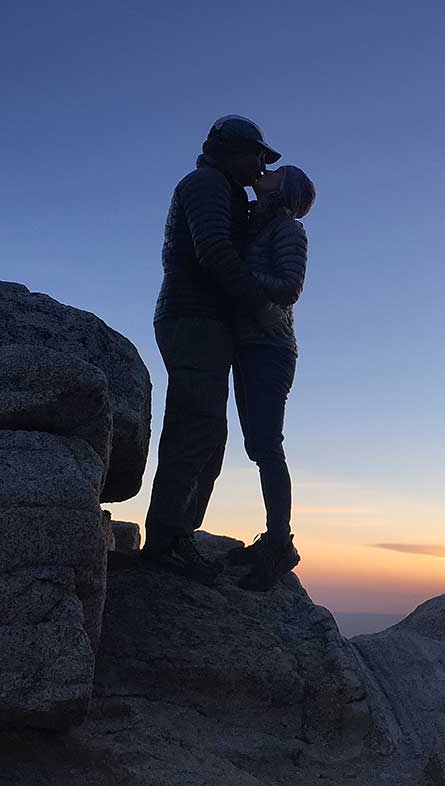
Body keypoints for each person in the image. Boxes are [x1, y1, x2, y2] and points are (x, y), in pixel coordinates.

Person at [142, 115, 288, 585]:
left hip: (204, 322)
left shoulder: (225, 190)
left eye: (265, 160)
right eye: (256, 155)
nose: (260, 166)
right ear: (223, 149)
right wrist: (259, 303)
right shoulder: (206, 183)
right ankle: (167, 541)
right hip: (192, 318)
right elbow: (213, 252)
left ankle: (179, 534)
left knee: (207, 429)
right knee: (195, 424)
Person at [226, 165, 316, 590]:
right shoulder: (256, 223)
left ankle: (280, 544)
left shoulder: (288, 229)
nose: (267, 171)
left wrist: (238, 276)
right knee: (258, 446)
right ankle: (275, 539)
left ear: (285, 191)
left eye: (277, 172)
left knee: (267, 446)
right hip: (250, 344)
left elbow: (289, 287)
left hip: (271, 348)